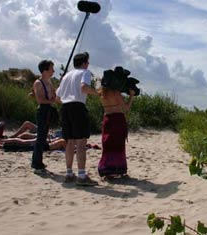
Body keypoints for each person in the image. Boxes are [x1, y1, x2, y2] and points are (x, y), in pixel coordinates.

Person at [56, 52, 99, 186]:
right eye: (88, 62)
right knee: (81, 142)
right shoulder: (85, 72)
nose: (88, 64)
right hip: (78, 108)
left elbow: (56, 97)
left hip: (65, 108)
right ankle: (81, 176)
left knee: (69, 142)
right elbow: (84, 87)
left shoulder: (66, 76)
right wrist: (97, 92)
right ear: (84, 63)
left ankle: (69, 174)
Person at [98, 87, 135, 179]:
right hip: (117, 119)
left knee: (108, 144)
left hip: (107, 119)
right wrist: (131, 96)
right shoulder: (116, 93)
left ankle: (107, 169)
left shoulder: (101, 93)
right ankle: (119, 169)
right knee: (119, 145)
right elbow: (126, 108)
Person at [32, 60, 56, 173]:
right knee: (40, 137)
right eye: (51, 68)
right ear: (45, 70)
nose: (53, 71)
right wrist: (50, 100)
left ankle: (39, 162)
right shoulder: (38, 83)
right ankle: (36, 164)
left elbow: (54, 96)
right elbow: (40, 99)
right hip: (42, 111)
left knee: (43, 137)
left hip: (48, 111)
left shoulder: (49, 82)